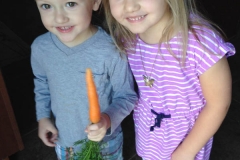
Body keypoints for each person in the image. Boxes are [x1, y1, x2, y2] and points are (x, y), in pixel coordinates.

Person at [102, 0, 236, 159]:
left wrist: (186, 151)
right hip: (149, 129)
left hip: (188, 137)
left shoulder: (201, 43)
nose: (130, 6)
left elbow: (218, 104)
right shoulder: (126, 37)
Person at [31, 0, 137, 159]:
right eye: (46, 6)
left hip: (106, 143)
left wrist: (107, 120)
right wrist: (43, 117)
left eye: (71, 4)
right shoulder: (40, 47)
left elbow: (127, 96)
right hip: (64, 140)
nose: (59, 18)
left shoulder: (111, 49)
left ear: (95, 3)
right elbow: (41, 84)